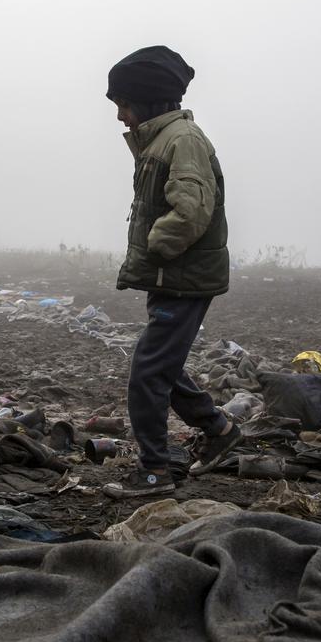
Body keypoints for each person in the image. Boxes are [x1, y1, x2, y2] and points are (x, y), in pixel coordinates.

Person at [101, 46, 239, 499]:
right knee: (162, 364)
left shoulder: (183, 141)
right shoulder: (163, 140)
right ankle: (218, 430)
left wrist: (159, 245)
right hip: (174, 278)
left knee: (148, 372)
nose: (121, 115)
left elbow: (192, 209)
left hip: (182, 277)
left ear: (148, 100)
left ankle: (156, 471)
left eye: (124, 104)